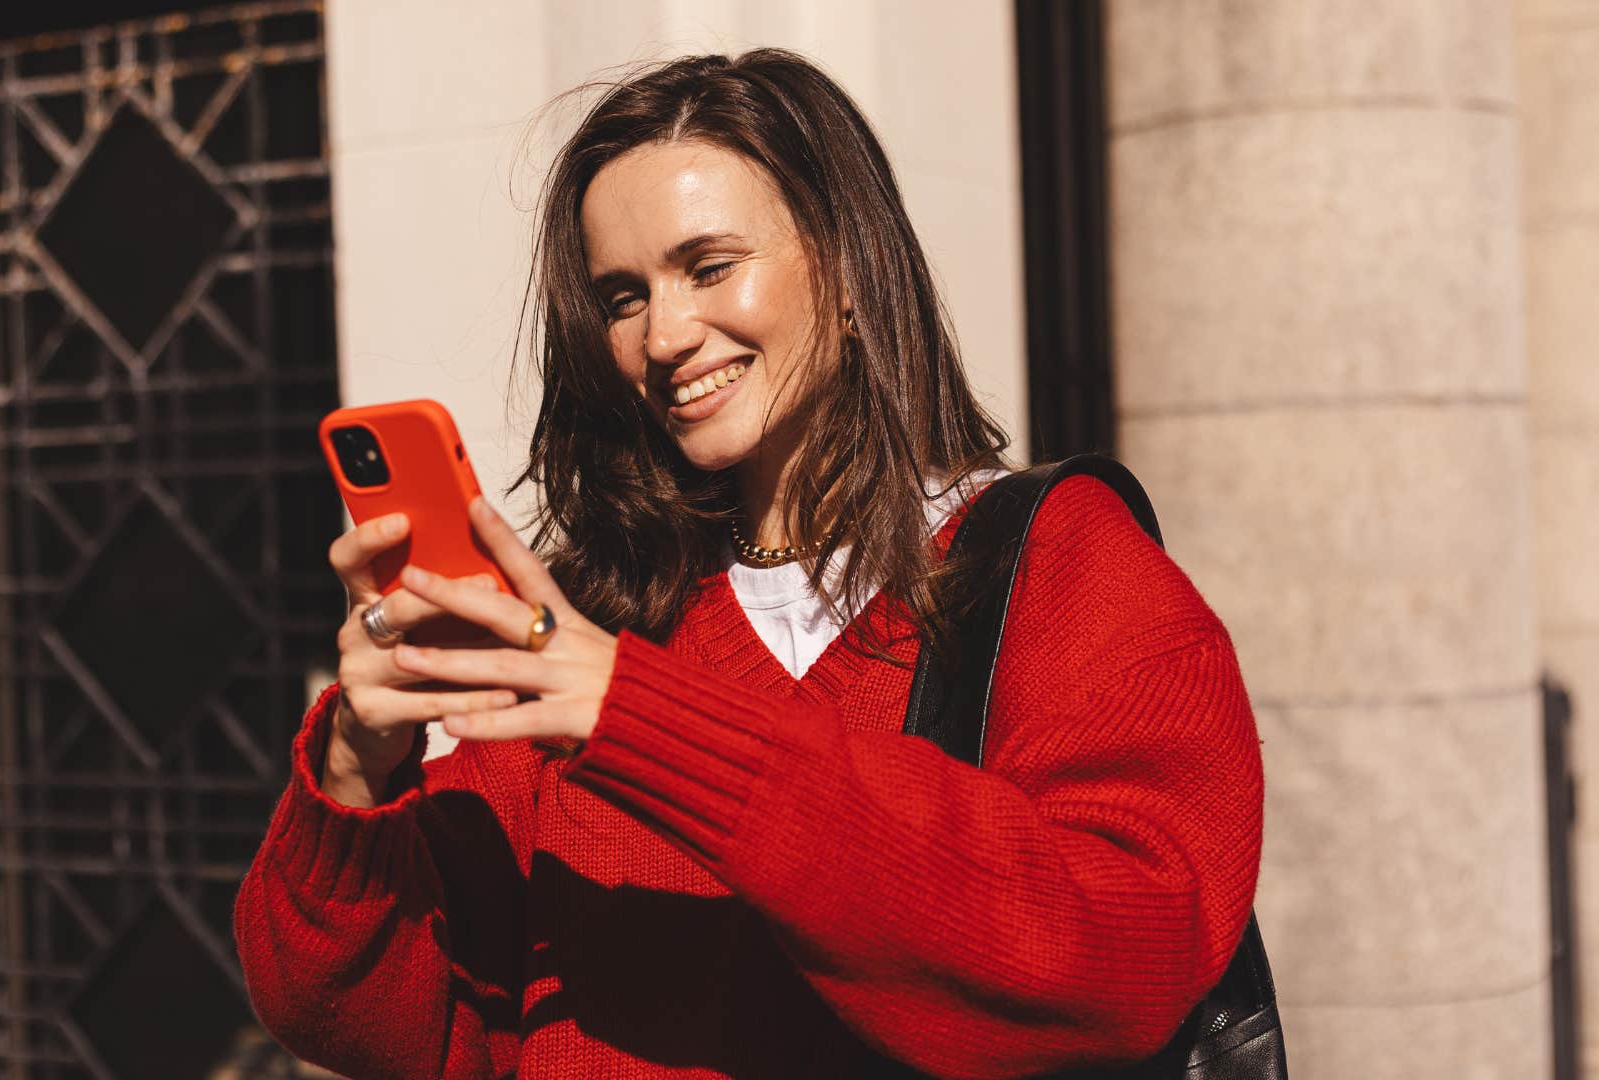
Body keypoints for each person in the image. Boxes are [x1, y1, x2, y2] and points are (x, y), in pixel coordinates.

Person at [234, 49, 1263, 1079]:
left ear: (850, 268)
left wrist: (648, 723)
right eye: (622, 295)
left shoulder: (1060, 563)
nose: (665, 334)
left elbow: (1125, 961)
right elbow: (372, 1022)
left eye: (710, 267)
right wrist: (355, 777)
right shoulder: (595, 624)